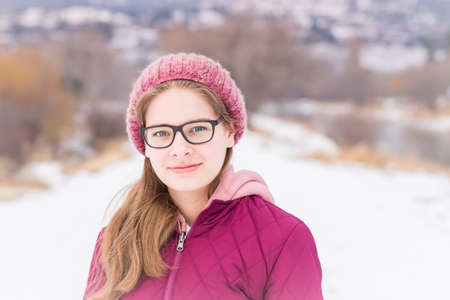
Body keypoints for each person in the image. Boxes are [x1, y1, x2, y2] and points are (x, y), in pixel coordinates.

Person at [82, 52, 324, 300]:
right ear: (145, 145)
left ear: (229, 131)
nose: (179, 150)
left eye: (197, 129)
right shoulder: (116, 240)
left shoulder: (284, 239)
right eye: (161, 133)